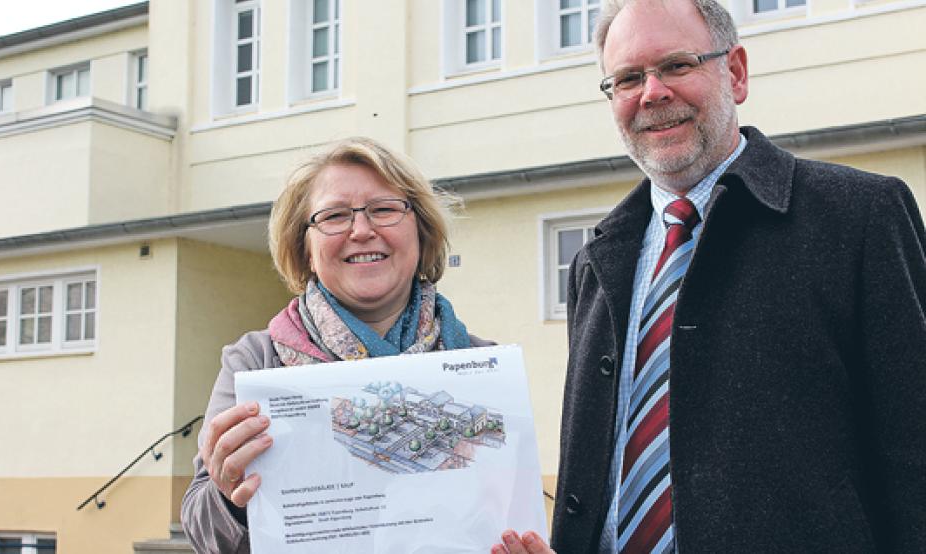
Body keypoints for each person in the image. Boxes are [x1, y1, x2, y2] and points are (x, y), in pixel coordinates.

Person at [497, 0, 926, 552]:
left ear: (736, 73)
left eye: (677, 65)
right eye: (628, 78)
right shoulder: (594, 262)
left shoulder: (860, 217)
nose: (652, 92)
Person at [181, 137, 491, 553]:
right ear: (305, 249)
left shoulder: (478, 364)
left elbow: (503, 511)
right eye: (334, 216)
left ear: (421, 232)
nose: (362, 231)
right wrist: (227, 496)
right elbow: (205, 535)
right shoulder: (255, 363)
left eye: (384, 209)